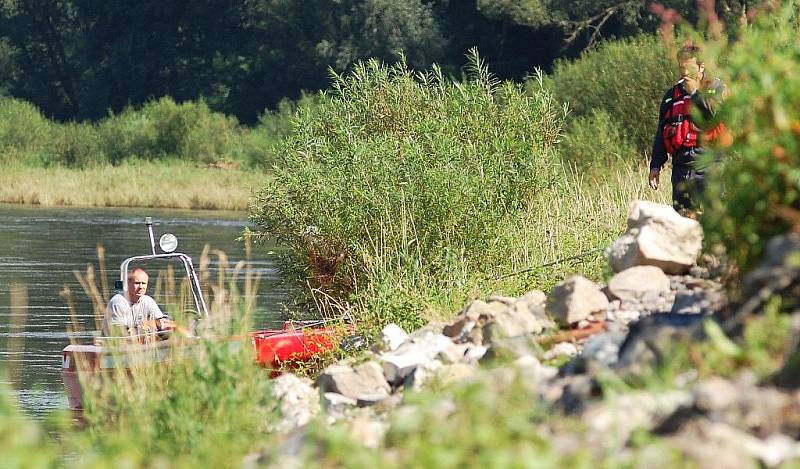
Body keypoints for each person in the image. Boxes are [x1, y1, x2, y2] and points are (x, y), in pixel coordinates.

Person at [648, 42, 728, 215]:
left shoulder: (717, 89)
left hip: (710, 165)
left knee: (715, 218)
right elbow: (663, 131)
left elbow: (717, 114)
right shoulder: (671, 96)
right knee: (682, 222)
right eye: (681, 67)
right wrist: (656, 165)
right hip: (681, 168)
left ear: (701, 67)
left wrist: (695, 94)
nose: (684, 73)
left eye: (689, 68)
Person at [102, 267, 174, 337]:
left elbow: (161, 321)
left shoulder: (148, 301)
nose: (141, 287)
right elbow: (118, 333)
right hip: (114, 343)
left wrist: (157, 323)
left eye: (144, 283)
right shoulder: (118, 302)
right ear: (127, 284)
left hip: (141, 339)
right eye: (137, 283)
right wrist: (144, 327)